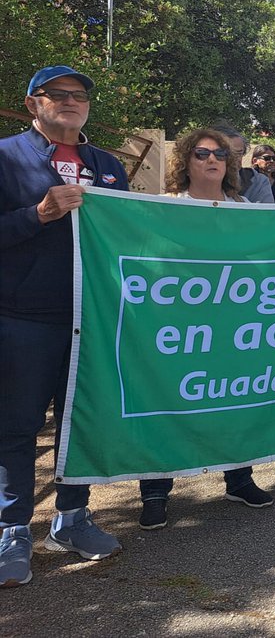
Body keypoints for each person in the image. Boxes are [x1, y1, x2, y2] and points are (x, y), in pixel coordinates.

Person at [1, 66, 127, 587]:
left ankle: (72, 519)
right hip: (25, 316)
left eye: (80, 96)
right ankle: (11, 530)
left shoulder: (108, 165)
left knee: (83, 423)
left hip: (94, 318)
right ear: (34, 104)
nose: (72, 102)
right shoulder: (6, 157)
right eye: (59, 95)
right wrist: (38, 214)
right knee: (16, 427)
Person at [137, 130, 274, 529]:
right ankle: (156, 491)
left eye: (220, 154)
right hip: (179, 324)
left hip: (234, 324)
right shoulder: (165, 206)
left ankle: (239, 479)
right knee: (166, 399)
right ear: (186, 161)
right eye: (202, 153)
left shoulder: (245, 206)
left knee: (235, 396)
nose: (212, 160)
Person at [212, 125, 273, 204]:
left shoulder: (258, 182)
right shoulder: (196, 184)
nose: (233, 158)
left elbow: (265, 215)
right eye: (225, 153)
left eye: (238, 153)